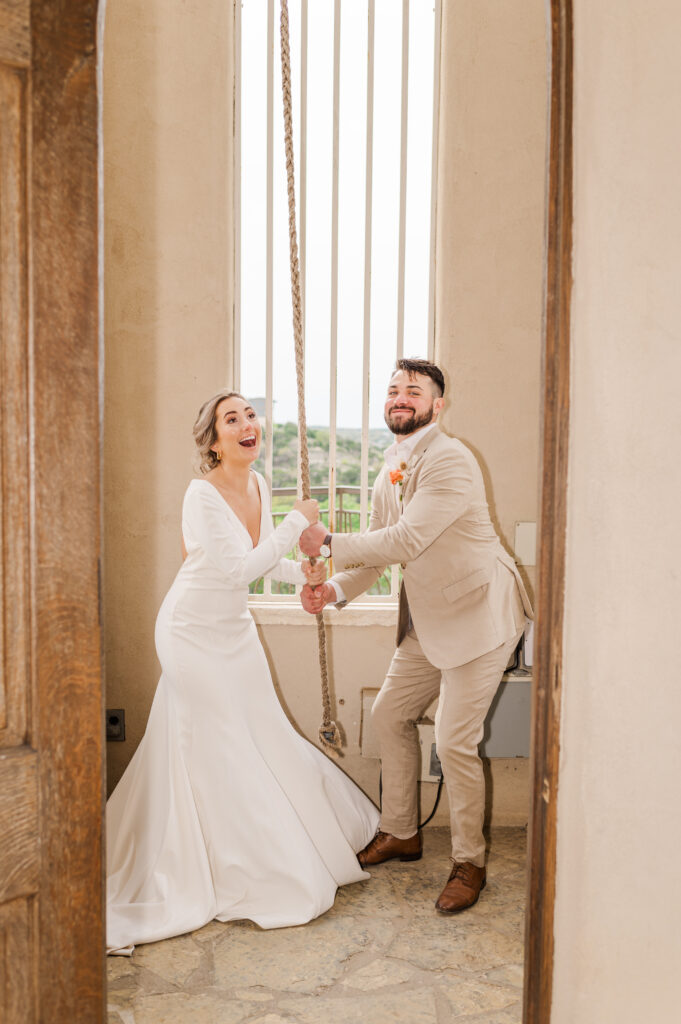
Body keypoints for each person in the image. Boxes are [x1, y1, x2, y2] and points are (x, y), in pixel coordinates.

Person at [106, 389, 379, 954]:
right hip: (190, 632)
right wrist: (297, 520)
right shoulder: (200, 495)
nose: (247, 424)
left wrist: (302, 577)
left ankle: (252, 847)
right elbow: (233, 570)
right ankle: (219, 866)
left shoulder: (256, 484)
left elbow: (260, 561)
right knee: (218, 743)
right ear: (213, 440)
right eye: (232, 419)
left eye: (250, 414)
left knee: (259, 732)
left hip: (233, 631)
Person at [298, 358, 533, 914]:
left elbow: (406, 540)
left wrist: (327, 540)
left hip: (480, 616)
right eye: (394, 390)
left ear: (438, 404)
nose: (401, 398)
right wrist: (331, 592)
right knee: (389, 715)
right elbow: (380, 552)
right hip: (429, 619)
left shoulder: (451, 458)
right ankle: (401, 831)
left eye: (415, 391)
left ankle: (469, 861)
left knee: (453, 739)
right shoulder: (391, 469)